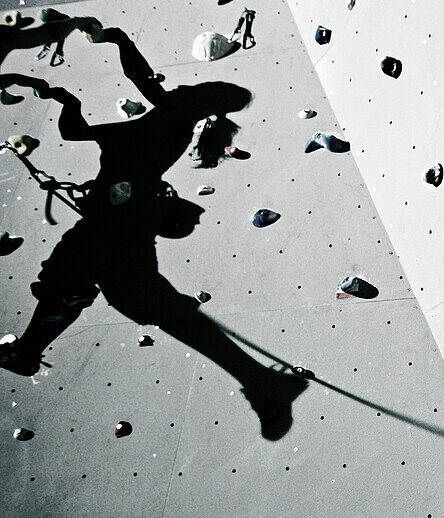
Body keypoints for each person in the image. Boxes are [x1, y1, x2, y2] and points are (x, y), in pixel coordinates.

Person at [0, 74, 307, 440]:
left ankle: (262, 381)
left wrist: (70, 100)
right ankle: (262, 382)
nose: (179, 88)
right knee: (123, 297)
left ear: (194, 99)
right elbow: (131, 86)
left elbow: (76, 130)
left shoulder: (159, 125)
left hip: (111, 228)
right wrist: (76, 90)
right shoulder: (171, 125)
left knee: (73, 283)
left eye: (189, 89)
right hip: (126, 226)